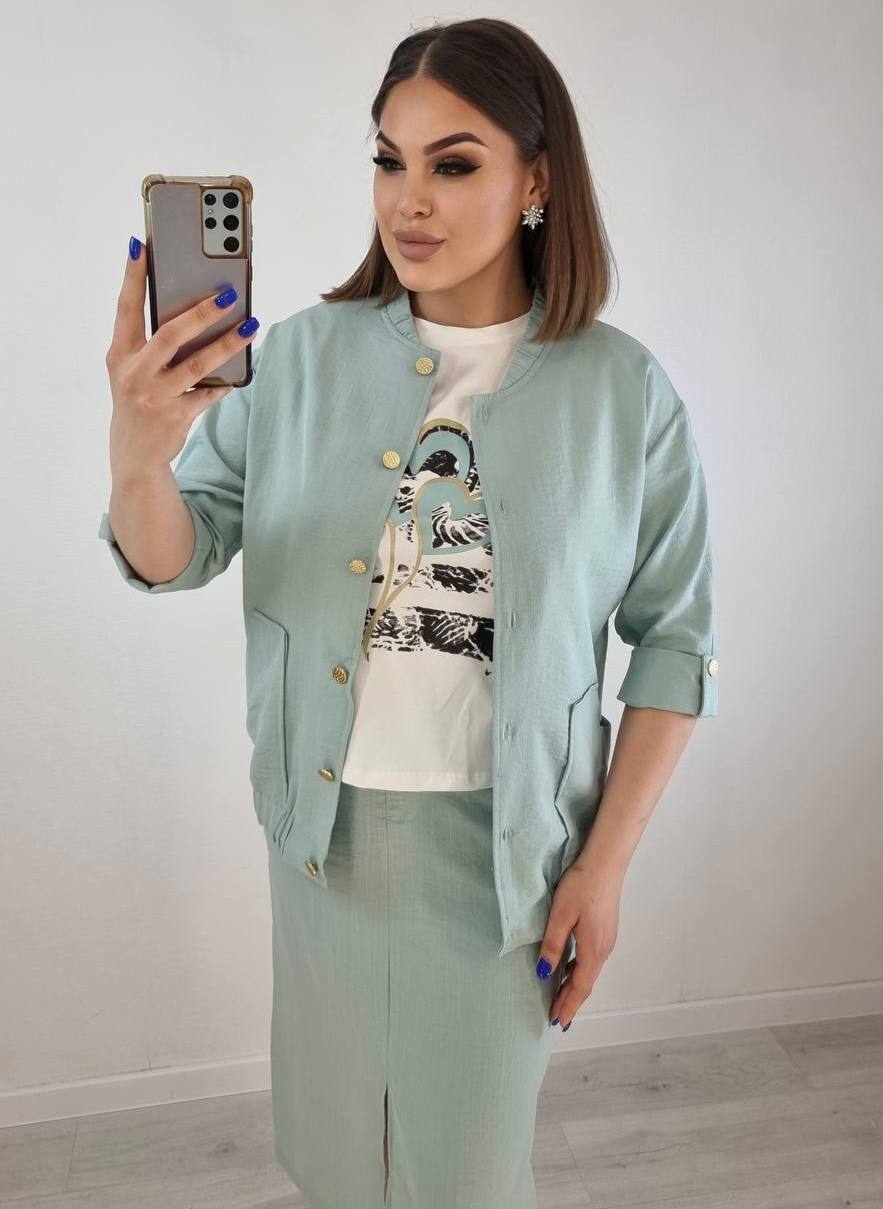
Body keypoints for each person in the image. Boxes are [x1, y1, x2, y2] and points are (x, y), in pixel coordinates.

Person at [99, 17, 719, 1209]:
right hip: (321, 839)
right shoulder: (296, 359)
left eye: (453, 162)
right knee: (339, 1162)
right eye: (388, 160)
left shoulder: (621, 391)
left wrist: (603, 870)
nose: (408, 199)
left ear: (536, 181)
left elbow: (676, 644)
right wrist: (137, 452)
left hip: (506, 862)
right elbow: (176, 555)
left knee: (469, 1178)